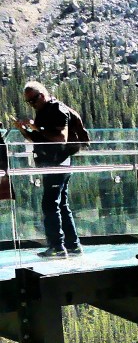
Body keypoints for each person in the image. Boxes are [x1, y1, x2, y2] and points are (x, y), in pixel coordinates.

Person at [13, 81, 81, 259]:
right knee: (61, 204)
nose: (31, 105)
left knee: (50, 204)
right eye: (28, 102)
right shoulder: (43, 112)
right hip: (54, 163)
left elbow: (60, 138)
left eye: (33, 101)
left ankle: (57, 246)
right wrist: (24, 130)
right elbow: (38, 138)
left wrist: (37, 127)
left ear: (41, 95)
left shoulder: (56, 110)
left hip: (57, 163)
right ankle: (73, 245)